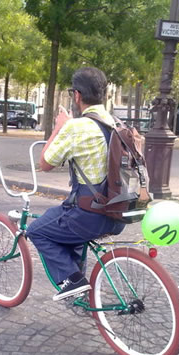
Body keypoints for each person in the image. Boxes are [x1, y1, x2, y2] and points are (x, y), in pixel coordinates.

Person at [26, 67, 125, 301]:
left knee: (36, 230)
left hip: (91, 216)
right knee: (68, 226)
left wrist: (60, 126)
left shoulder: (77, 126)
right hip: (118, 212)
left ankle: (72, 281)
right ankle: (81, 295)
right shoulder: (116, 122)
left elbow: (45, 163)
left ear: (77, 95)